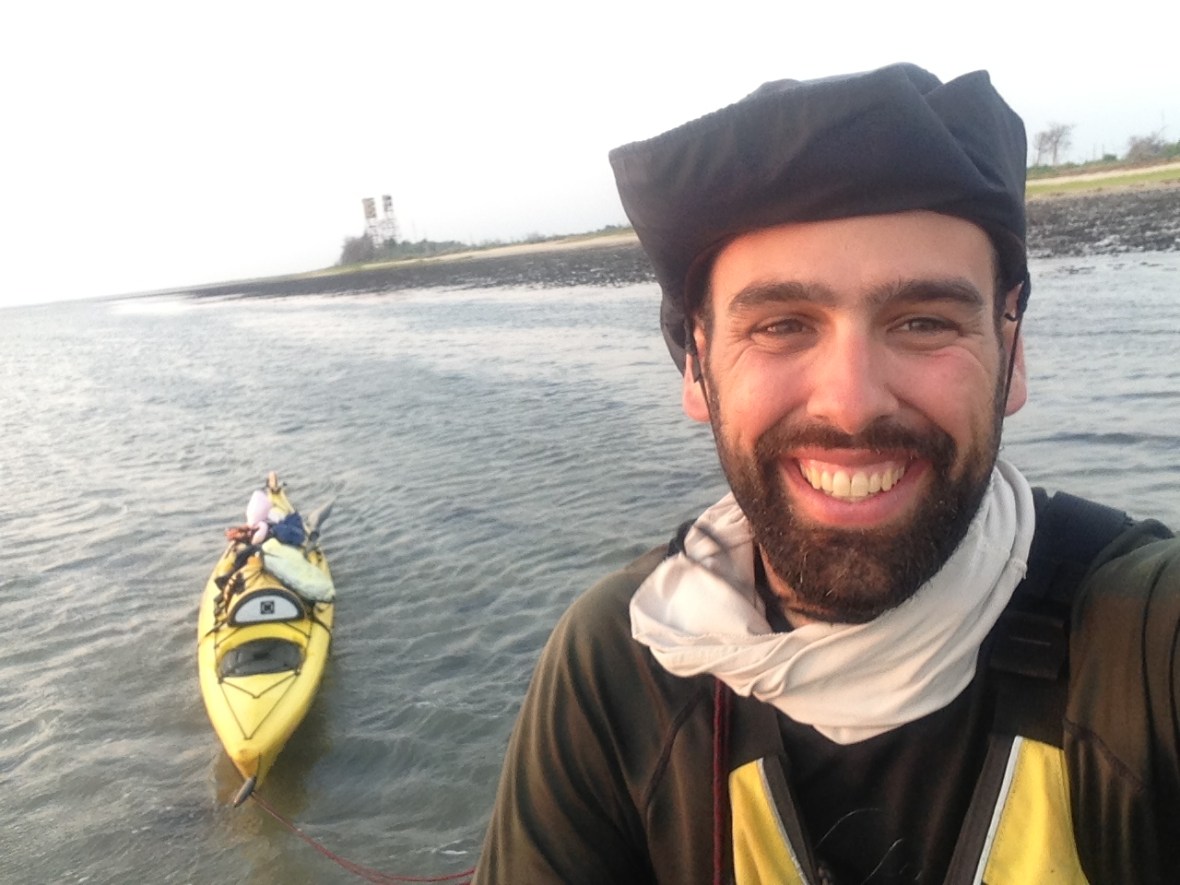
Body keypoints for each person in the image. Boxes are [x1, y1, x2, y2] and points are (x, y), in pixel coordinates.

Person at [474, 64, 1180, 884]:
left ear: (1011, 349)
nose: (850, 404)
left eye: (922, 321)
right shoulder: (621, 669)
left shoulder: (1141, 643)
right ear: (698, 368)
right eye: (781, 325)